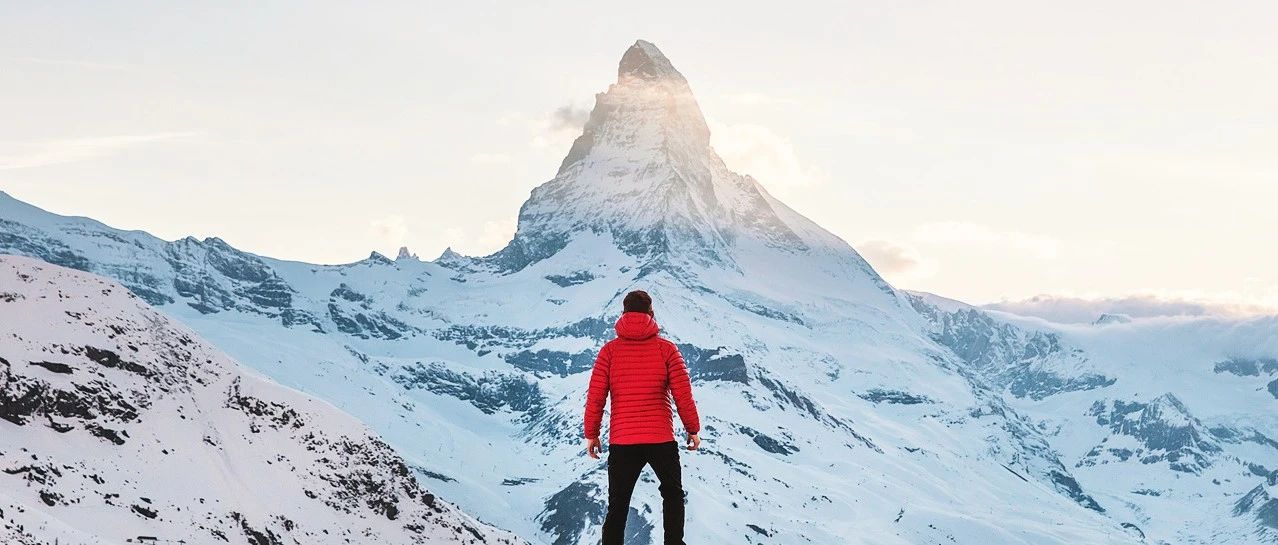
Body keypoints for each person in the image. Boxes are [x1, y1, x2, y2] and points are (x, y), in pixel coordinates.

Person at [584, 289, 701, 545]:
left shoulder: (609, 352)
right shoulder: (667, 350)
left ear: (623, 314)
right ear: (651, 313)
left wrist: (592, 434)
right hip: (661, 439)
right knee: (672, 495)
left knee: (618, 505)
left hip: (623, 442)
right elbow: (683, 394)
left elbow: (596, 397)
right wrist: (692, 428)